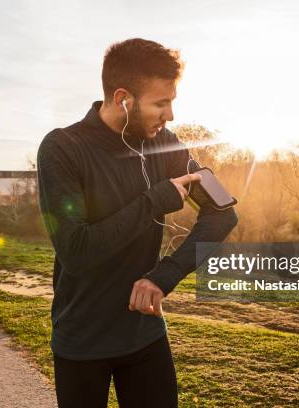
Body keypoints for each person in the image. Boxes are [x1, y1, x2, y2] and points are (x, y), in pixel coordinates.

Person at [37, 38, 238, 408]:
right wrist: (157, 200)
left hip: (144, 336)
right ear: (123, 99)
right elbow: (76, 251)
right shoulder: (62, 148)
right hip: (82, 343)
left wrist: (164, 277)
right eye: (161, 103)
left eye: (172, 102)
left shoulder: (164, 144)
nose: (171, 115)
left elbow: (224, 212)